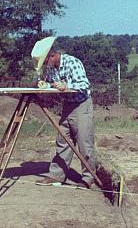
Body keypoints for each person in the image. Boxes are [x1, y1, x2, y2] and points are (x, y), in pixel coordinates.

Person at [31, 36, 96, 188]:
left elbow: (84, 83)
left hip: (81, 105)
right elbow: (51, 83)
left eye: (46, 61)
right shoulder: (52, 68)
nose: (46, 65)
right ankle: (56, 175)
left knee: (84, 142)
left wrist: (67, 85)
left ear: (52, 55)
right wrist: (45, 85)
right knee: (63, 140)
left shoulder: (72, 62)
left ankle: (88, 178)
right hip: (68, 105)